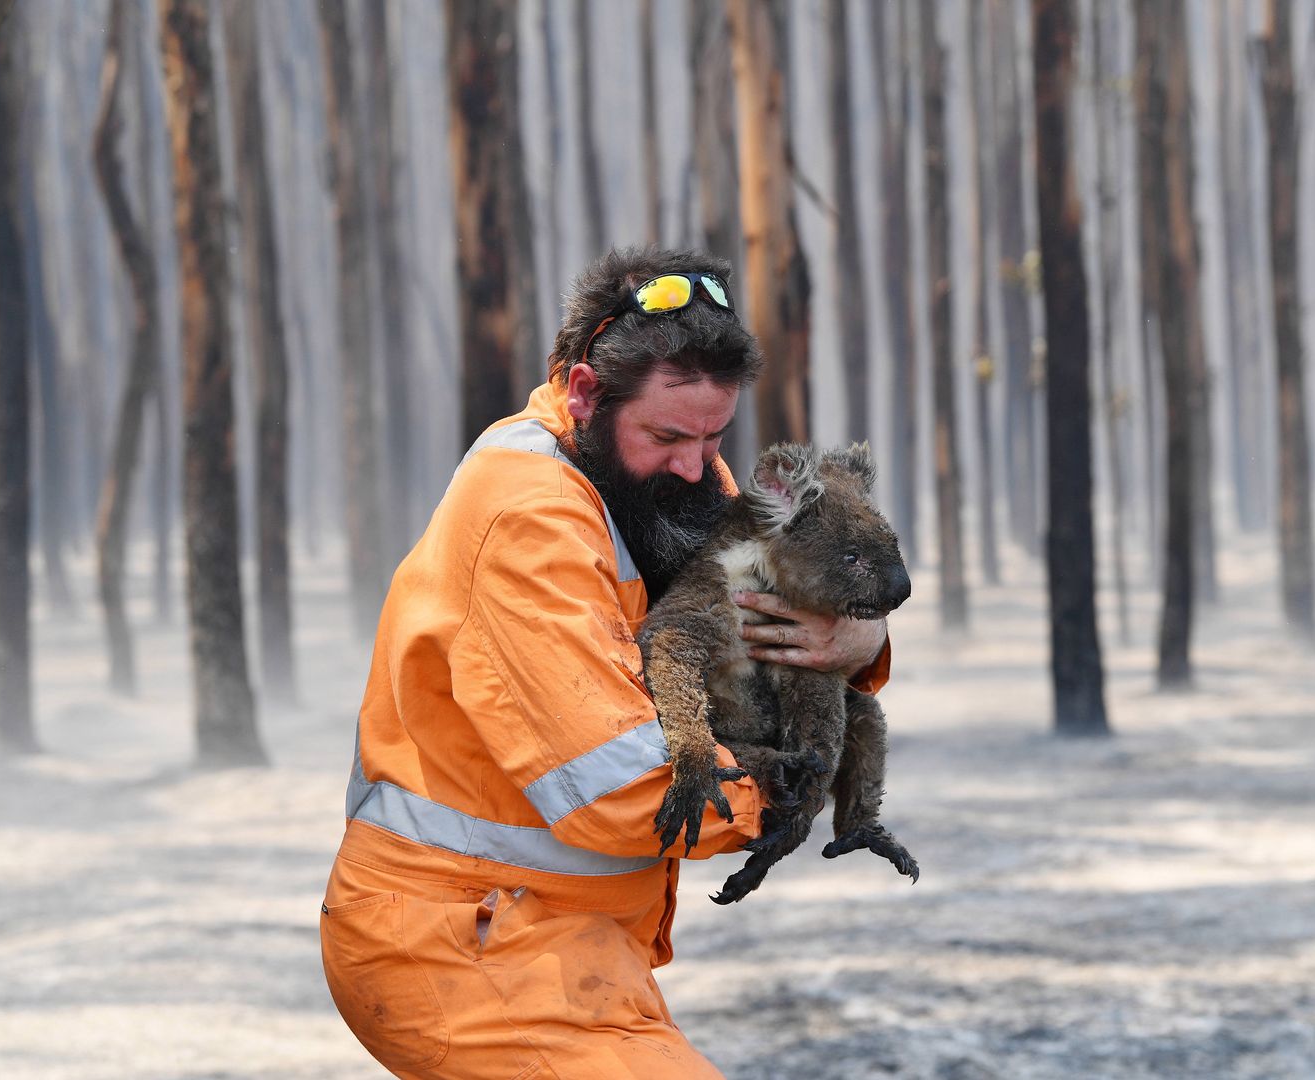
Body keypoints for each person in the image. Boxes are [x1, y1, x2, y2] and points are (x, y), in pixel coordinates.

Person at [320, 247, 892, 1079]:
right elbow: (619, 787)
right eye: (668, 435)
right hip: (461, 947)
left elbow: (775, 612)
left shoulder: (657, 475)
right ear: (586, 393)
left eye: (715, 435)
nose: (701, 466)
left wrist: (862, 646)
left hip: (564, 941)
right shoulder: (529, 519)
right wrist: (790, 785)